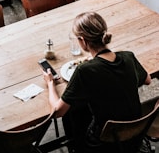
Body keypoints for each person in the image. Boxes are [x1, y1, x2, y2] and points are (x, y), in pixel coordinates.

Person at [42, 11, 151, 152]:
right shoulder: (128, 56)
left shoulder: (84, 71)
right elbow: (147, 80)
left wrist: (50, 83)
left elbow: (57, 112)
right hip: (135, 132)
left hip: (105, 141)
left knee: (72, 113)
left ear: (83, 41)